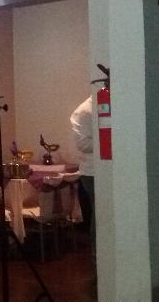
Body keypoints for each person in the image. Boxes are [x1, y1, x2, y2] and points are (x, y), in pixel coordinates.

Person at [70, 96, 95, 252]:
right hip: (93, 172)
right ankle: (97, 257)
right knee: (100, 215)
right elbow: (82, 144)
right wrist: (111, 139)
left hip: (103, 169)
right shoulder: (84, 111)